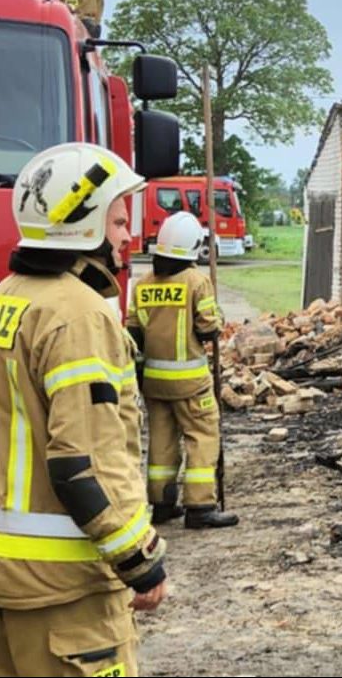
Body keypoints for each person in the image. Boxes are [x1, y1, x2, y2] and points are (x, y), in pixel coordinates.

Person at [0, 142, 167, 677]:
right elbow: (81, 462)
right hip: (62, 589)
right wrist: (138, 560)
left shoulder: (1, 300)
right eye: (117, 221)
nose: (127, 236)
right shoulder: (80, 316)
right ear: (83, 223)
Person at [127, 210, 237, 529]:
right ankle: (200, 507)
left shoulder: (143, 283)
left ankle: (161, 503)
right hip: (190, 382)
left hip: (153, 382)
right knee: (202, 436)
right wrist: (216, 318)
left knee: (161, 441)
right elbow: (207, 330)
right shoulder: (195, 281)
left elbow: (133, 330)